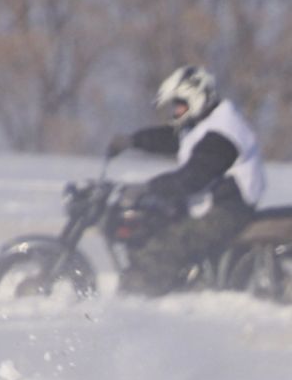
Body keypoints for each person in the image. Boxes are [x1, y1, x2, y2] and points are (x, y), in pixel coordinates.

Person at [104, 64, 266, 296]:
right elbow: (173, 138)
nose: (175, 112)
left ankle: (142, 300)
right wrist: (132, 141)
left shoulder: (221, 134)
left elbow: (193, 178)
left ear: (196, 99)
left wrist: (148, 188)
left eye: (179, 105)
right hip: (214, 203)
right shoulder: (205, 123)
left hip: (227, 210)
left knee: (163, 248)